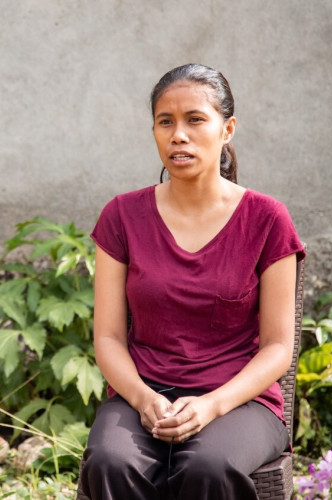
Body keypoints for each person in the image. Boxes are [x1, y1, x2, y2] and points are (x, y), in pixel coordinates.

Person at [78, 63, 305, 500]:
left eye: (195, 119)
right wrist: (144, 400)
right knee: (111, 462)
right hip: (142, 393)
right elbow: (107, 337)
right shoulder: (122, 217)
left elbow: (278, 346)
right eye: (166, 122)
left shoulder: (267, 219)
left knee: (208, 466)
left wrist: (211, 404)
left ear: (227, 129)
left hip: (240, 402)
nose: (178, 135)